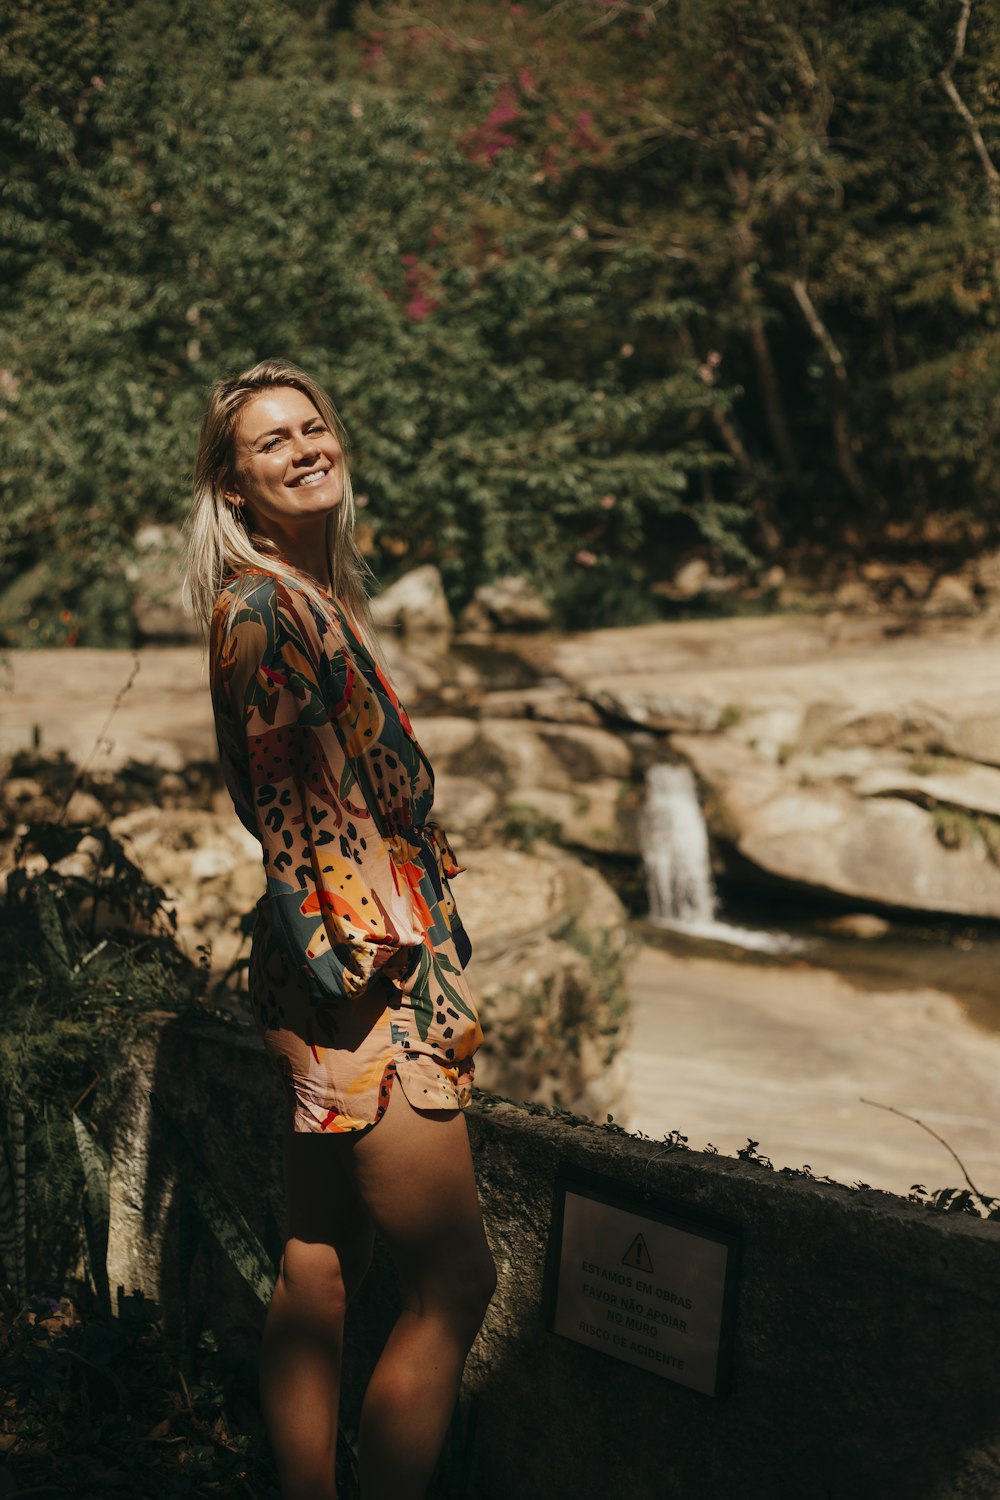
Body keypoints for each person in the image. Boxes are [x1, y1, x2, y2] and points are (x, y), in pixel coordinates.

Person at [185, 358, 496, 1500]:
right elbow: (296, 825)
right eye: (274, 441)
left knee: (322, 1258)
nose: (307, 447)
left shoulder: (306, 598)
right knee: (455, 1283)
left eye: (314, 427)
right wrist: (393, 1008)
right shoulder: (266, 611)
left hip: (319, 974)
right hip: (364, 982)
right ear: (234, 487)